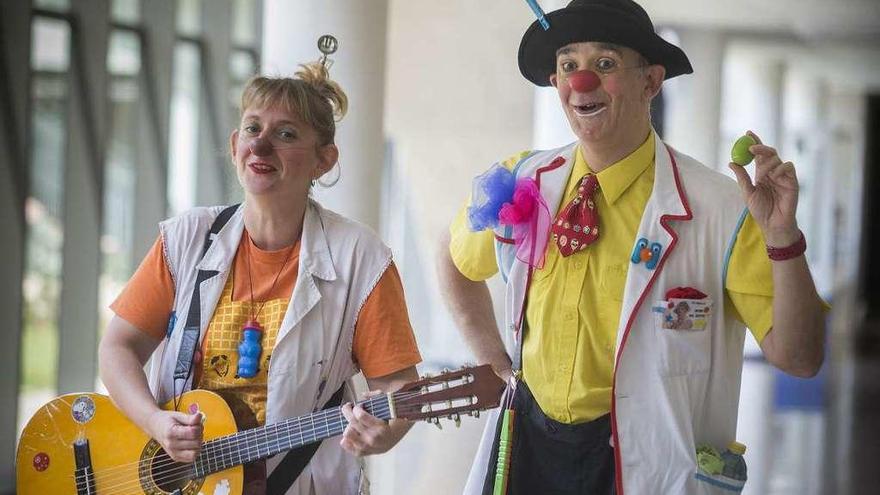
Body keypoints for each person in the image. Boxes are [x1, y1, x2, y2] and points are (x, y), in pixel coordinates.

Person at [437, 1, 827, 493]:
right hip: (529, 450)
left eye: (604, 64)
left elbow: (800, 357)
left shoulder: (724, 209)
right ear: (556, 83)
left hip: (647, 462)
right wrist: (493, 360)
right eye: (568, 66)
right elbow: (453, 260)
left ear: (651, 81)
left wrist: (782, 238)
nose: (582, 82)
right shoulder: (522, 179)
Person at [99, 46, 422, 495]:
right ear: (235, 146)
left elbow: (399, 387)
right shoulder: (186, 237)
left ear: (324, 160)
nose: (261, 144)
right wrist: (154, 421)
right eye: (253, 128)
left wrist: (384, 433)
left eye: (286, 134)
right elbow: (119, 348)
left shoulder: (361, 258)